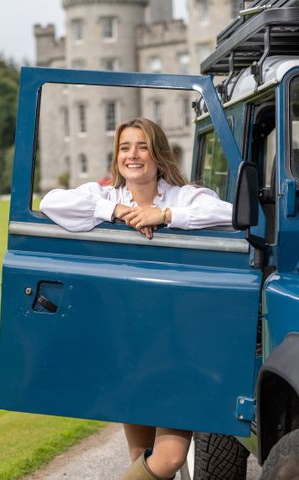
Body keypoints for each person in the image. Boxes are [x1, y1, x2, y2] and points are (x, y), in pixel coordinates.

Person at [40, 117, 232, 479]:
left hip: (180, 342)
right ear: (117, 157)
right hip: (128, 341)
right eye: (125, 147)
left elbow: (230, 214)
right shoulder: (106, 196)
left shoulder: (184, 196)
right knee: (140, 456)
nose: (133, 154)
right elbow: (51, 202)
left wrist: (166, 215)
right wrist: (112, 212)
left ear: (158, 154)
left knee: (170, 457)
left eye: (142, 146)